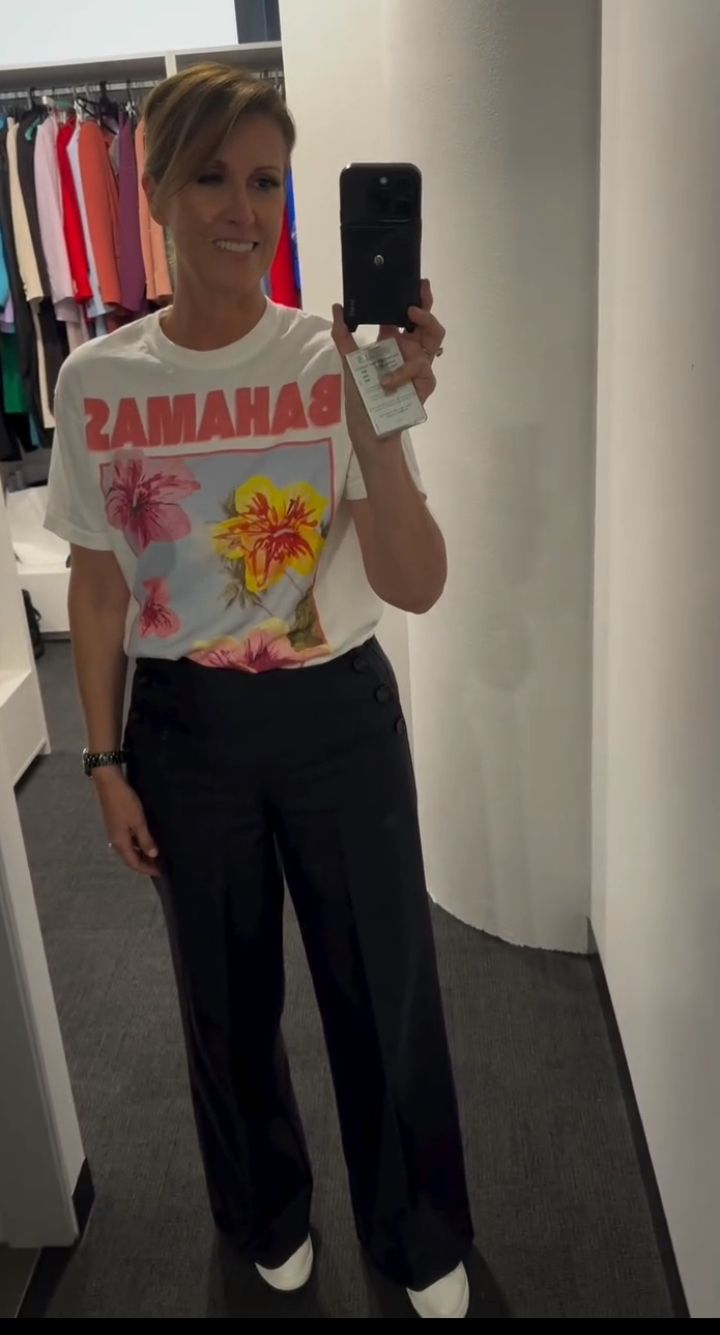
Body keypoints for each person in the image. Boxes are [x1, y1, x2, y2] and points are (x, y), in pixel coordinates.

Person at [45, 63, 473, 1319]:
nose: (243, 209)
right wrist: (104, 760)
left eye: (268, 182)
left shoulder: (334, 359)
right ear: (154, 192)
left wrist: (379, 425)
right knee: (223, 997)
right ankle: (263, 1212)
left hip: (338, 715)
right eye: (213, 178)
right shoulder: (97, 381)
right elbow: (98, 586)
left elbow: (416, 584)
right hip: (187, 731)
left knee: (382, 984)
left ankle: (416, 1228)